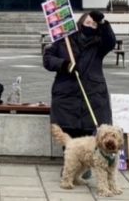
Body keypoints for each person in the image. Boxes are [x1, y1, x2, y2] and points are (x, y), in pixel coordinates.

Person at [43, 10, 116, 178]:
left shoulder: (99, 43)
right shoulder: (64, 39)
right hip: (67, 91)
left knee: (90, 129)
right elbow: (47, 59)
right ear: (80, 22)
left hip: (92, 92)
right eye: (88, 22)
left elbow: (110, 41)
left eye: (94, 24)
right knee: (69, 130)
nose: (90, 26)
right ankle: (70, 165)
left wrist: (102, 22)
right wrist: (64, 65)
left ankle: (86, 162)